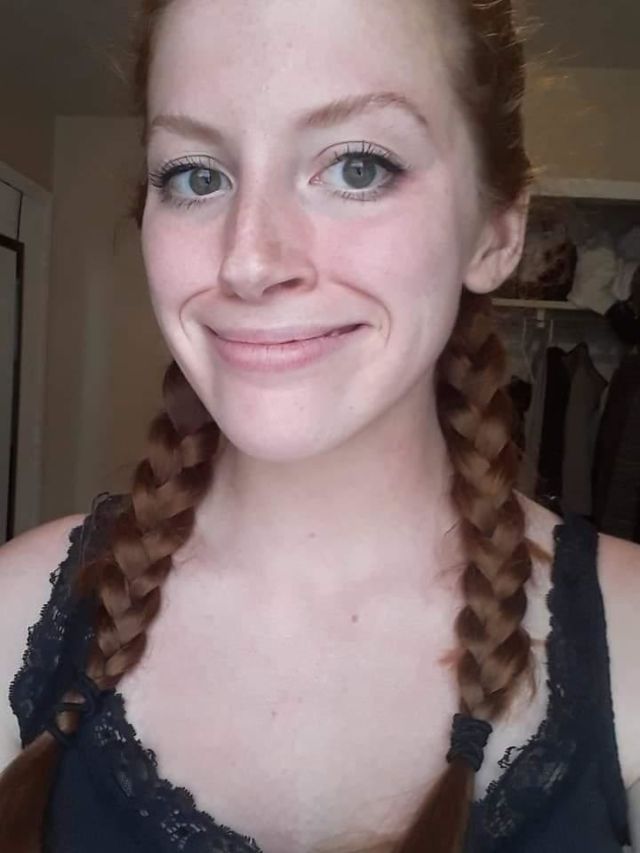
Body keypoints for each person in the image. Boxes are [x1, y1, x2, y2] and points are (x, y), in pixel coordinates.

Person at [0, 0, 638, 851]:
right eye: (196, 175)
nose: (249, 261)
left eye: (359, 167)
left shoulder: (631, 640)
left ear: (495, 232)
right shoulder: (11, 611)